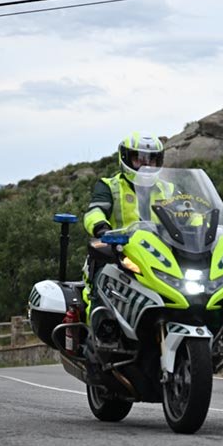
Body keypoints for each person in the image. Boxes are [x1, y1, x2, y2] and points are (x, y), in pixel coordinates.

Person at [81, 132, 171, 343]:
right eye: (139, 158)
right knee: (101, 283)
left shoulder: (168, 189)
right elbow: (94, 211)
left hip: (159, 255)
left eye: (152, 159)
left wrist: (202, 225)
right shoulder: (109, 185)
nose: (145, 164)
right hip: (117, 253)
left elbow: (187, 213)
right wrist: (101, 228)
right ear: (126, 158)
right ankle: (100, 338)